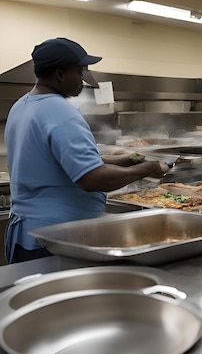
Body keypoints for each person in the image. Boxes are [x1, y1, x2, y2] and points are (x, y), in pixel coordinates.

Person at [4, 37, 170, 264]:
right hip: (56, 240)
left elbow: (56, 161)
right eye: (80, 71)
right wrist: (147, 168)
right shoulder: (60, 111)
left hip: (27, 235)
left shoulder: (22, 106)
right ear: (60, 74)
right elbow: (92, 179)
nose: (83, 78)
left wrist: (122, 160)